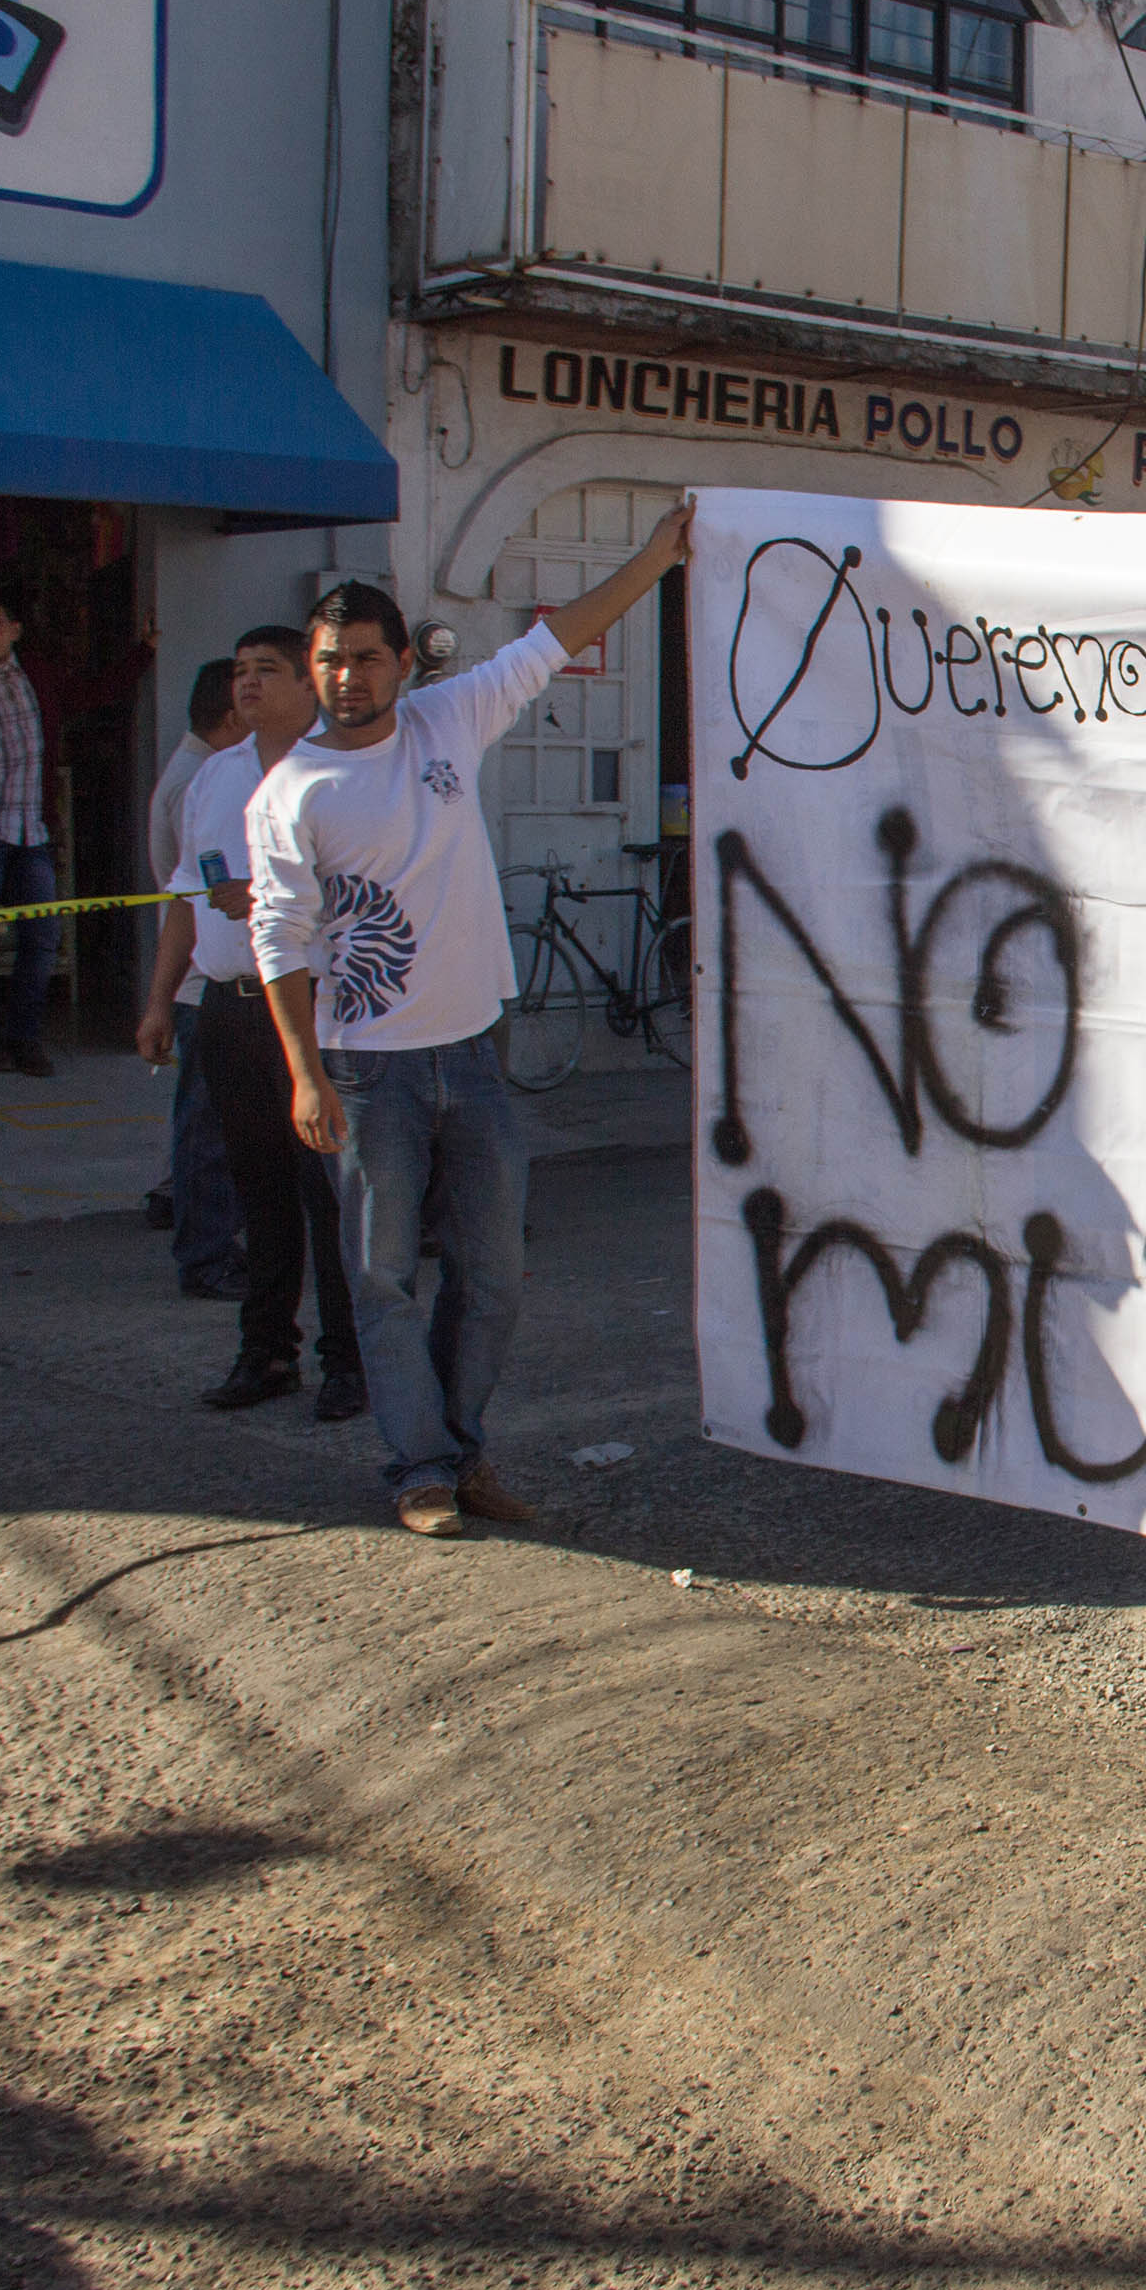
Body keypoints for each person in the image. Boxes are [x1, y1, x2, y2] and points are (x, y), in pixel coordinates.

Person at [248, 507, 693, 1538]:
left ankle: (459, 1446)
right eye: (330, 661)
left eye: (366, 657)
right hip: (366, 1075)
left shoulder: (451, 720)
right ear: (313, 672)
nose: (349, 677)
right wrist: (305, 1075)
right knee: (385, 1280)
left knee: (492, 1276)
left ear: (405, 663)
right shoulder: (288, 793)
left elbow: (561, 636)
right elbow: (283, 943)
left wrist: (659, 555)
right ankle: (421, 1470)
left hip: (473, 1058)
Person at [137, 628, 363, 1419]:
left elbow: (362, 900)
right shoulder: (215, 777)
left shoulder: (340, 768)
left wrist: (266, 901)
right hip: (229, 1006)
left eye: (269, 670)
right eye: (239, 671)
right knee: (258, 1196)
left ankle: (350, 1362)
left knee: (328, 1200)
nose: (248, 684)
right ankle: (266, 1354)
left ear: (309, 685)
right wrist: (163, 999)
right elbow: (186, 900)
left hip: (314, 1012)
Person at [0, 588, 156, 1077]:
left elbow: (93, 692)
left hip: (31, 829)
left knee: (43, 936)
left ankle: (25, 1038)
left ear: (14, 630)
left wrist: (144, 653)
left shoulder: (38, 676)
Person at [143, 659, 248, 1299]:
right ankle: (206, 1256)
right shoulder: (202, 781)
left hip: (204, 979)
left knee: (219, 1125)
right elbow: (195, 897)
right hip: (201, 983)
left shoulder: (207, 772)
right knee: (208, 1129)